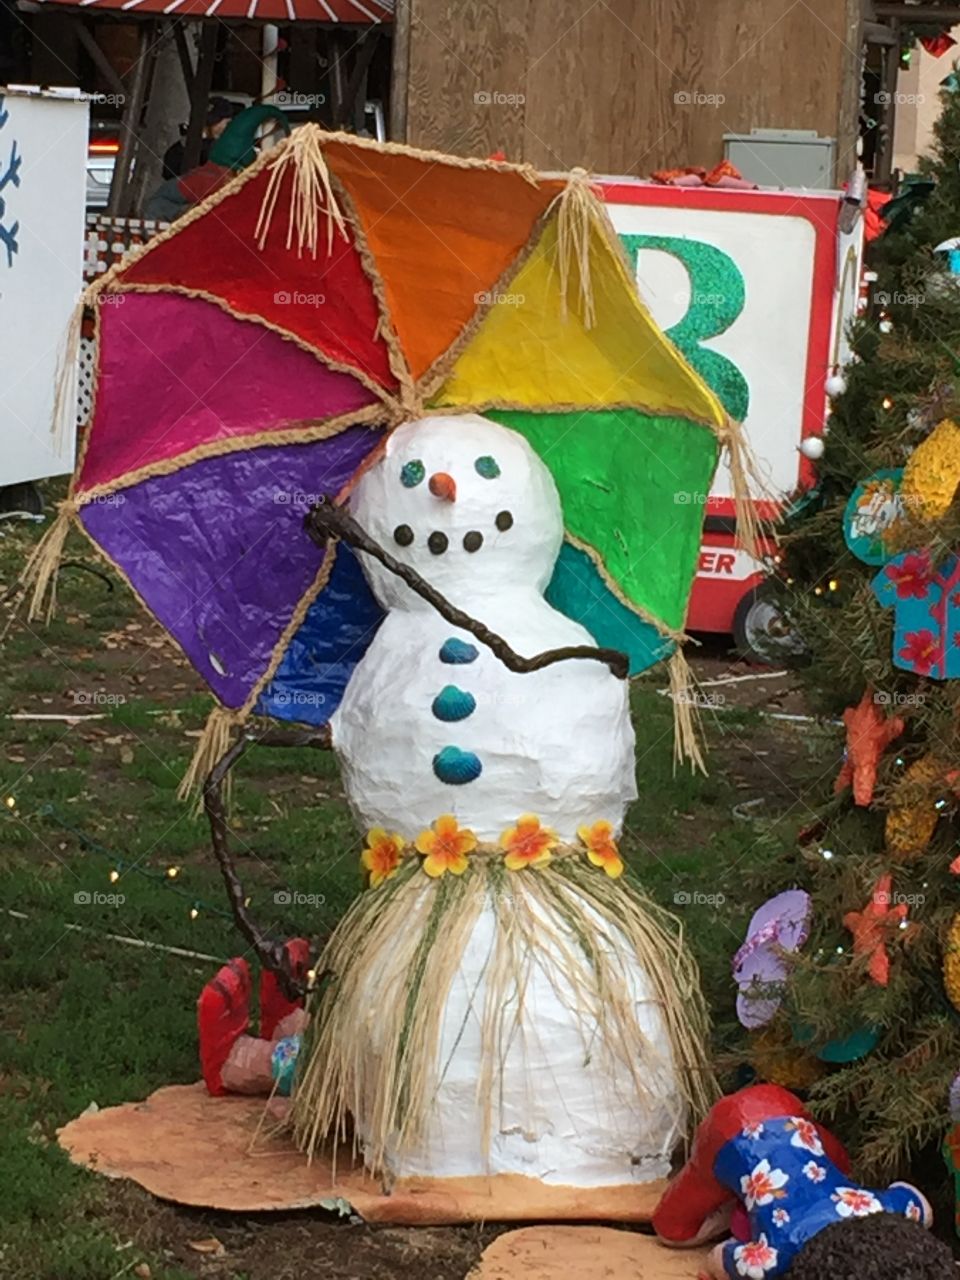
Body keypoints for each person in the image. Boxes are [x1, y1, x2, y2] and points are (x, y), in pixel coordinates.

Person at [653, 1084, 953, 1279]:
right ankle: (733, 1201)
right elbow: (717, 1259)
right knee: (673, 1229)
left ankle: (740, 1203)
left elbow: (917, 1202)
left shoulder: (886, 1206)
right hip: (724, 1139)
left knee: (838, 1167)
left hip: (791, 1118)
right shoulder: (770, 1258)